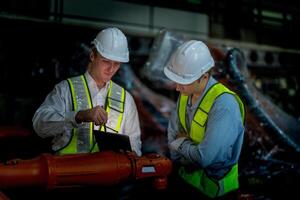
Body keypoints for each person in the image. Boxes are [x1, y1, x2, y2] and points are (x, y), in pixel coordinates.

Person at [32, 27, 141, 156]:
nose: (111, 69)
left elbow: (135, 147)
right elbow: (39, 125)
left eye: (117, 64)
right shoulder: (65, 89)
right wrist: (78, 116)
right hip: (68, 172)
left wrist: (131, 154)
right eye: (106, 61)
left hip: (109, 175)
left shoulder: (126, 99)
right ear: (92, 55)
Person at [163, 40, 245, 199]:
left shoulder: (224, 105)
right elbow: (172, 136)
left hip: (215, 189)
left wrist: (181, 143)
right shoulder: (186, 93)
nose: (177, 88)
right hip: (186, 178)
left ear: (204, 77)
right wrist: (183, 149)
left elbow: (204, 158)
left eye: (183, 82)